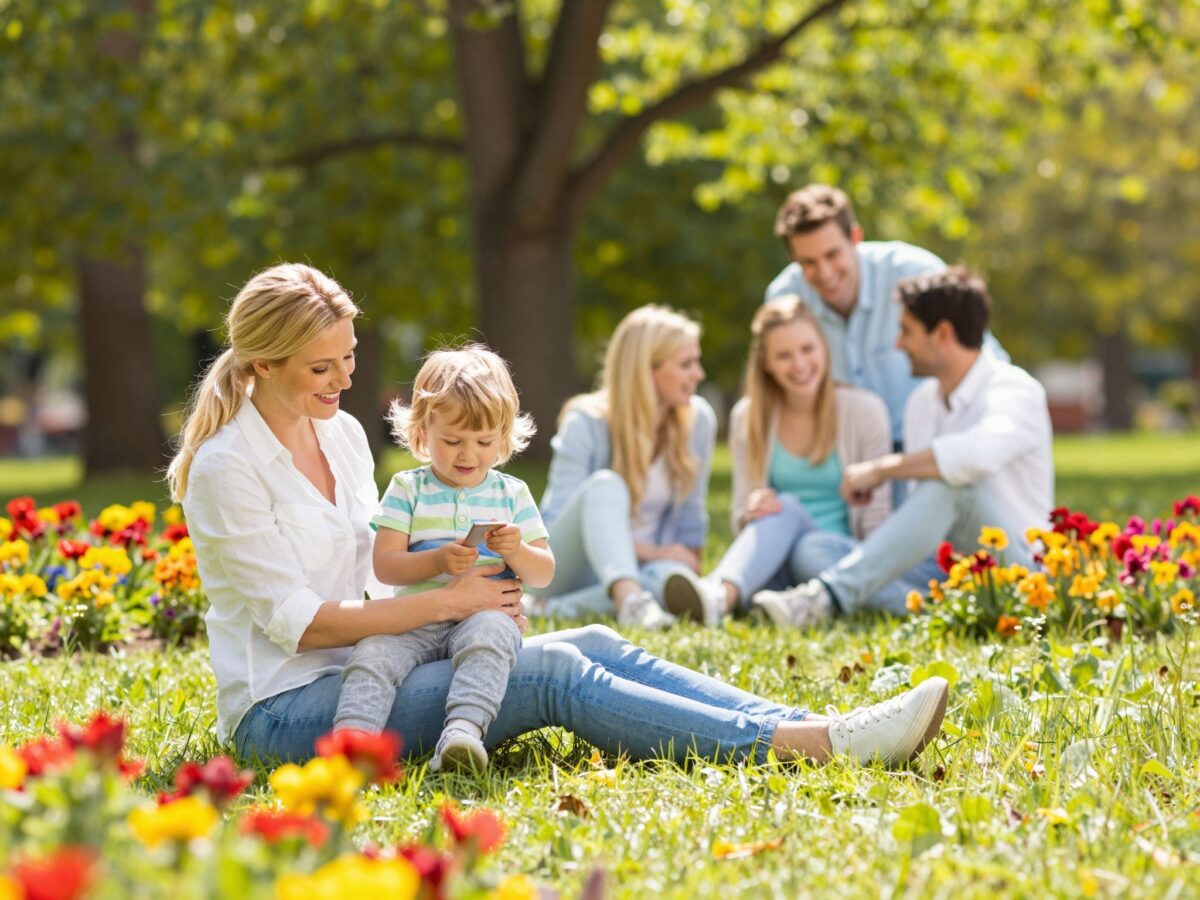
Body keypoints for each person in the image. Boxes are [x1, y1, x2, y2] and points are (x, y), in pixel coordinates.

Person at [170, 262, 950, 770]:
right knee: (555, 674)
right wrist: (452, 603)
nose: (344, 379)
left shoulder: (338, 434)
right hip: (290, 715)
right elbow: (299, 627)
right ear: (263, 364)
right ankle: (807, 748)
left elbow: (386, 563)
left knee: (602, 641)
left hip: (389, 658)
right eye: (321, 367)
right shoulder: (227, 470)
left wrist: (470, 574)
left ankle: (817, 724)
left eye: (348, 358)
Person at [752, 267, 1054, 626]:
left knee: (951, 488)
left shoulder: (1014, 390)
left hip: (1013, 571)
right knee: (815, 550)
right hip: (940, 571)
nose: (897, 343)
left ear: (942, 334)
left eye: (906, 331)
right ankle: (937, 613)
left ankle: (825, 598)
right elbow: (923, 513)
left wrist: (881, 469)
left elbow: (973, 457)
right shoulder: (922, 402)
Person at [333, 346, 555, 773]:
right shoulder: (408, 488)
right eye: (452, 441)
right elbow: (386, 565)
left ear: (503, 438)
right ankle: (352, 749)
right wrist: (436, 562)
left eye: (483, 442)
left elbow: (544, 572)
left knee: (494, 634)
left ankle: (463, 733)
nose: (467, 455)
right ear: (422, 433)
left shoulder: (511, 494)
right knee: (371, 653)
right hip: (411, 622)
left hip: (481, 618)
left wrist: (518, 551)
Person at [657, 296, 892, 627]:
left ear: (824, 348)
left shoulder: (864, 411)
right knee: (782, 508)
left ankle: (720, 595)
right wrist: (753, 509)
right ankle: (720, 597)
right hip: (776, 564)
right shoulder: (749, 417)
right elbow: (742, 515)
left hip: (836, 559)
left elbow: (878, 524)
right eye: (784, 355)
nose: (799, 364)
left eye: (807, 349)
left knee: (805, 541)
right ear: (766, 363)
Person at [765, 183, 1008, 455]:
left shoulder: (914, 274)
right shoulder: (785, 298)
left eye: (832, 254)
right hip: (841, 453)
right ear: (793, 258)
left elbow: (980, 354)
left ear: (855, 237)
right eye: (808, 262)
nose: (824, 272)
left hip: (925, 444)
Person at [532, 306, 716, 630]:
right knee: (605, 485)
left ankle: (553, 610)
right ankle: (631, 599)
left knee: (671, 582)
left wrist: (681, 562)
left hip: (647, 570)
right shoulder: (586, 423)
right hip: (571, 568)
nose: (698, 374)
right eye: (686, 364)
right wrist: (654, 552)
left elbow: (691, 525)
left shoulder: (698, 421)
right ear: (646, 370)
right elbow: (549, 527)